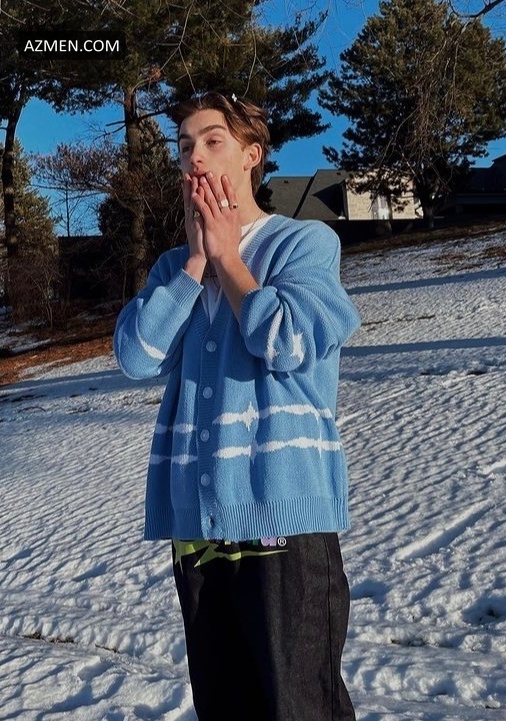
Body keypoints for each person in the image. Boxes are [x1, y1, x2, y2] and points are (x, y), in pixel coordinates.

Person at [113, 91, 360, 721]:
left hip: (282, 512)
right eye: (184, 145)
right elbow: (136, 357)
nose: (194, 156)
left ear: (252, 155)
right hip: (197, 522)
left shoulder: (303, 243)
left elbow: (289, 341)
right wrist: (198, 261)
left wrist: (227, 257)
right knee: (226, 706)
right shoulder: (175, 266)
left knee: (298, 706)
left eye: (212, 140)